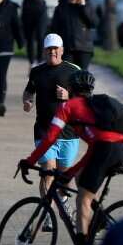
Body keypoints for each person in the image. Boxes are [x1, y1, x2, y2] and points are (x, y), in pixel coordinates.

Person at [19, 69, 123, 245]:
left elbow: (50, 138)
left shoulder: (68, 107)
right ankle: (101, 220)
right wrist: (70, 173)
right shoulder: (97, 109)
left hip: (104, 150)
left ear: (70, 89)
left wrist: (29, 161)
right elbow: (93, 150)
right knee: (81, 179)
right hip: (120, 151)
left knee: (82, 199)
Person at [21, 33, 81, 197]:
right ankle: (47, 215)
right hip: (44, 131)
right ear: (43, 51)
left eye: (55, 48)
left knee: (64, 179)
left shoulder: (74, 71)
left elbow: (86, 100)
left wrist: (69, 96)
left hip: (69, 133)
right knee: (47, 172)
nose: (52, 52)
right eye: (48, 49)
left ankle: (62, 208)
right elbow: (28, 92)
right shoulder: (37, 72)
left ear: (61, 50)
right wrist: (27, 101)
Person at [50, 0, 96, 70]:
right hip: (67, 48)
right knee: (67, 74)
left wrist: (83, 8)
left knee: (82, 76)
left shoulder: (87, 5)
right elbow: (54, 27)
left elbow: (93, 23)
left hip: (84, 48)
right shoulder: (62, 5)